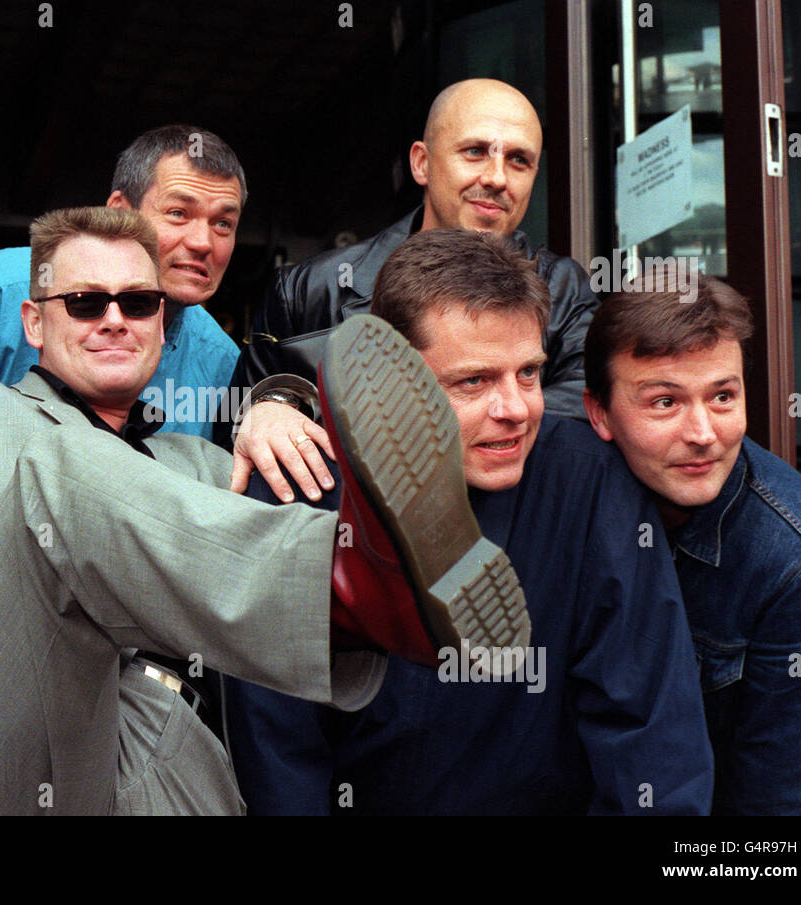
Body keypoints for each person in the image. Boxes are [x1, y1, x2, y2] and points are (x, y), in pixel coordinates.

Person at [0, 206, 529, 815]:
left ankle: (364, 600)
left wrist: (281, 399)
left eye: (140, 302)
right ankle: (345, 595)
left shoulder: (205, 465)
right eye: (86, 302)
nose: (115, 319)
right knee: (64, 473)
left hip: (172, 757)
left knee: (292, 505)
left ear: (165, 324)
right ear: (34, 322)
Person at [223, 228, 713, 815]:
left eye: (528, 374)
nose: (514, 410)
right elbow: (279, 758)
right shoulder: (300, 489)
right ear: (389, 385)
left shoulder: (590, 481)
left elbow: (651, 734)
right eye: (473, 382)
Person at [224, 78, 599, 495]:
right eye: (474, 152)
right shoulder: (309, 289)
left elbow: (594, 411)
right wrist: (268, 408)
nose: (496, 177)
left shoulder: (562, 288)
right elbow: (235, 425)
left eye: (518, 160)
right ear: (421, 163)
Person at [583, 272, 801, 815]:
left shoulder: (798, 558)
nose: (704, 432)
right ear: (600, 413)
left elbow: (783, 815)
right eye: (665, 403)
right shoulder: (565, 495)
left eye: (723, 396)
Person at [0, 124, 244, 440]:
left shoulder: (223, 360)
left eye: (223, 223)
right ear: (120, 212)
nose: (203, 242)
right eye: (178, 213)